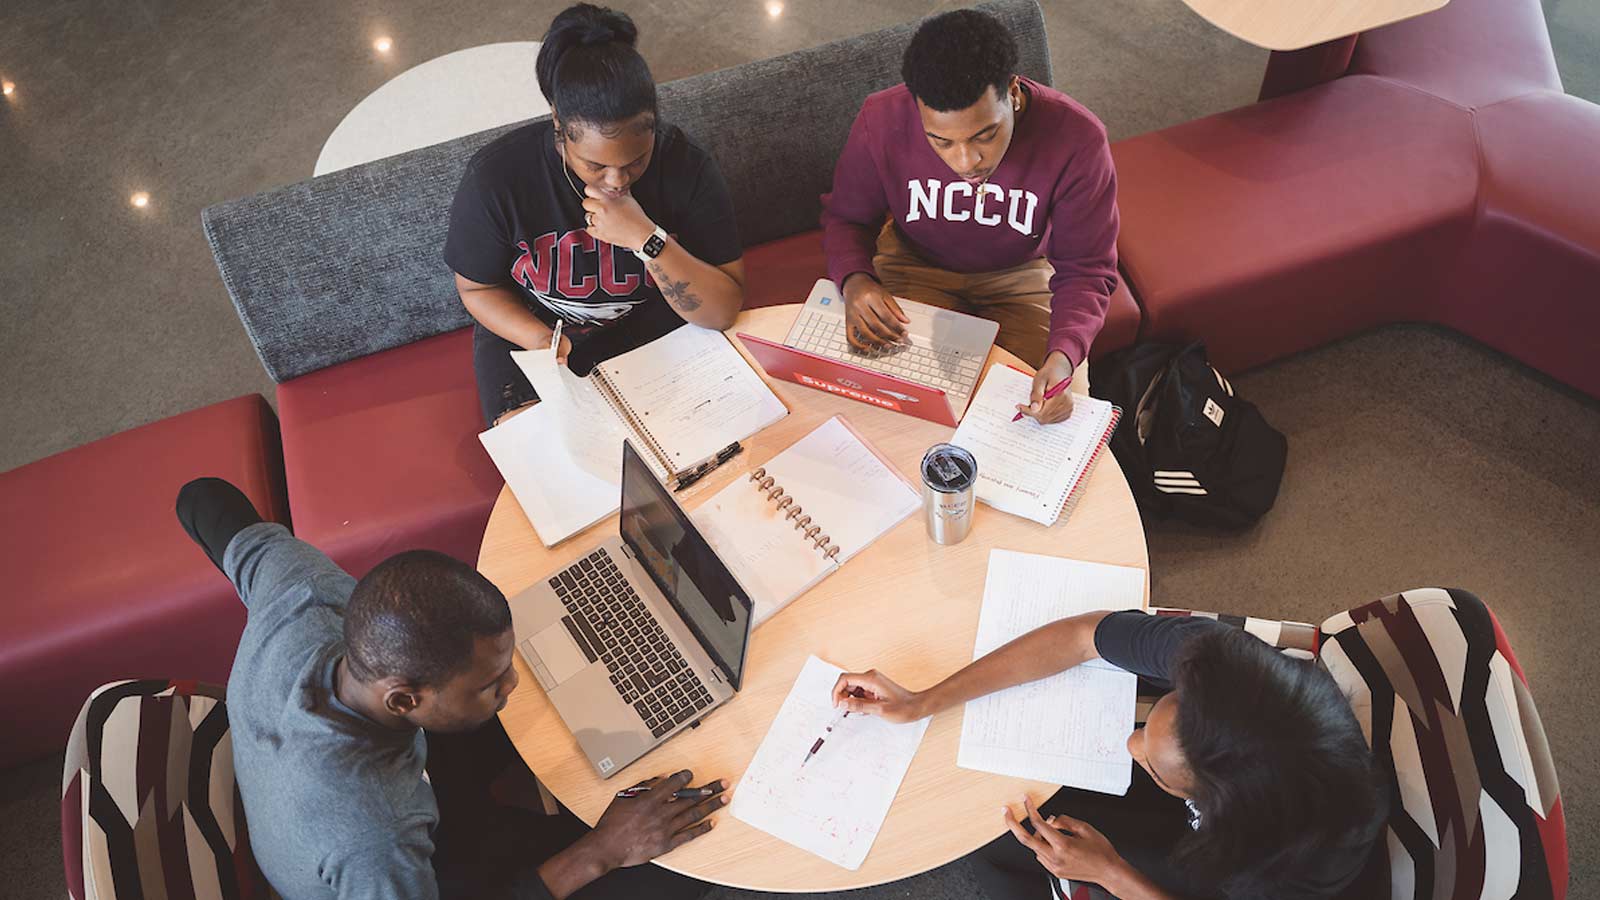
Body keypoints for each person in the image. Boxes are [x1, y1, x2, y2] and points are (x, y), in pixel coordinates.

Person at [175, 476, 726, 900]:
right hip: (405, 870)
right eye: (490, 684)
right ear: (404, 699)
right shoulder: (376, 832)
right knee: (675, 869)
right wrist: (600, 853)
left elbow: (200, 498)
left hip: (343, 780)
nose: (513, 682)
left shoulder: (302, 593)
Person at [832, 610, 1387, 900]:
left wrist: (1112, 873)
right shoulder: (1225, 664)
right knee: (1017, 806)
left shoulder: (1286, 872)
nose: (1130, 742)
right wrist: (928, 699)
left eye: (1153, 765)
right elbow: (1082, 635)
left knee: (999, 846)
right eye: (1159, 713)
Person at [445, 3, 746, 426]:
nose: (617, 181)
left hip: (648, 325)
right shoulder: (497, 178)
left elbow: (722, 310)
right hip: (532, 331)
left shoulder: (687, 166)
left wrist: (646, 238)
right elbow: (476, 290)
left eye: (637, 160)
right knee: (547, 461)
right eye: (594, 165)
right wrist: (539, 339)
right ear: (558, 126)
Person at [820, 8, 1120, 424]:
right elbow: (847, 218)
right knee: (884, 408)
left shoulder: (1078, 139)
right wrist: (855, 281)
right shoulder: (881, 118)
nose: (966, 161)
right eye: (940, 141)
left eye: (986, 134)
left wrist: (1064, 358)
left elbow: (1087, 269)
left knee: (1049, 417)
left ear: (1013, 92)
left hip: (1023, 274)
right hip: (914, 262)